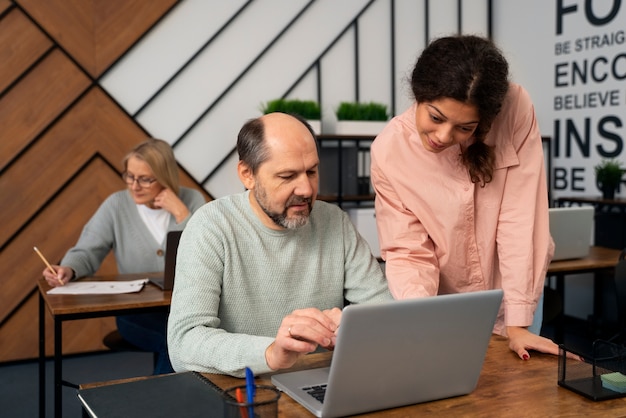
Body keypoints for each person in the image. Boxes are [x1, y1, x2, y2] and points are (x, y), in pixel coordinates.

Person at [370, 34, 562, 361]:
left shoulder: (514, 108)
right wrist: (422, 318)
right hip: (445, 304)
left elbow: (520, 218)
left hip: (518, 289)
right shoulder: (389, 151)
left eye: (465, 128)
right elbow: (408, 250)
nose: (444, 136)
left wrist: (517, 321)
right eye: (435, 117)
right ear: (419, 94)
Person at [167, 112, 392, 377]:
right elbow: (184, 344)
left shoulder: (334, 222)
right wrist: (271, 353)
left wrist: (358, 326)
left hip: (323, 382)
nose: (307, 189)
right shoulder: (211, 226)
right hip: (243, 392)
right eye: (287, 176)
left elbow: (385, 313)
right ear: (247, 175)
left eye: (312, 171)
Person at [42, 138, 206, 374]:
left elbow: (207, 252)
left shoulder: (192, 201)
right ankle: (160, 408)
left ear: (165, 176)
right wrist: (68, 267)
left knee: (189, 338)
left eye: (145, 179)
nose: (134, 186)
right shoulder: (116, 205)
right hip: (135, 313)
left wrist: (182, 214)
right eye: (130, 176)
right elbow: (89, 248)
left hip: (185, 308)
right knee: (174, 340)